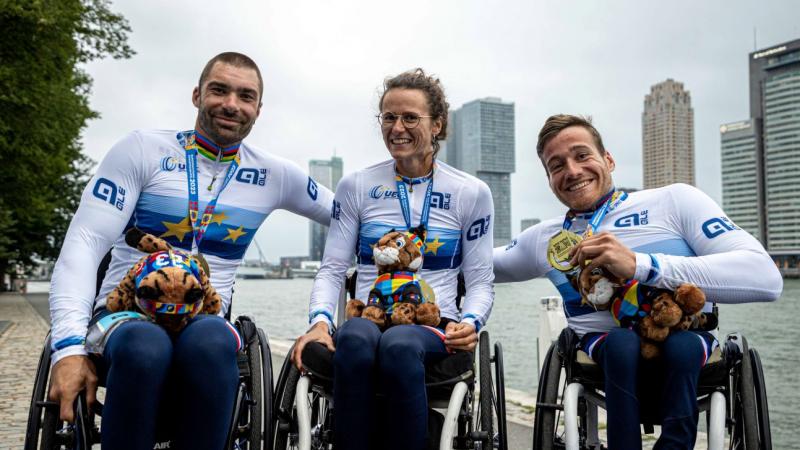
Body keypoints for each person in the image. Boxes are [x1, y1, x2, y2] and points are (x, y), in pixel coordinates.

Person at [47, 52, 335, 450]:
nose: (231, 104)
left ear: (258, 109)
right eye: (219, 90)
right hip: (127, 312)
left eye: (245, 96)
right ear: (197, 95)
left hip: (206, 316)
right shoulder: (141, 150)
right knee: (145, 347)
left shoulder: (276, 174)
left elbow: (353, 217)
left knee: (211, 342)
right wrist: (67, 349)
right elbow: (83, 244)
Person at [493, 114, 782, 449]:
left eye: (582, 155)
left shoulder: (675, 201)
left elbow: (766, 278)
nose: (571, 170)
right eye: (556, 165)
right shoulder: (544, 238)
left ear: (609, 160)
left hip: (686, 341)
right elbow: (475, 265)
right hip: (605, 351)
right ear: (550, 180)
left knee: (683, 345)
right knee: (621, 343)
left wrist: (641, 265)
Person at [291, 68, 495, 450]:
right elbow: (333, 269)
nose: (397, 127)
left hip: (433, 323)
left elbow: (481, 280)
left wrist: (471, 321)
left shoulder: (472, 192)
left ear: (437, 125)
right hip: (370, 315)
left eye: (410, 117)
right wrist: (319, 321)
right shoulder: (357, 185)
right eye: (388, 117)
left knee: (400, 344)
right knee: (352, 336)